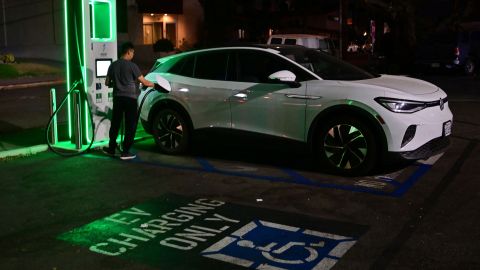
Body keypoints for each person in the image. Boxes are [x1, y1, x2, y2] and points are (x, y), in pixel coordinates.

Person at [102, 42, 154, 160]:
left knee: (115, 123)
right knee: (130, 125)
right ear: (129, 52)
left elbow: (106, 83)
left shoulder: (113, 65)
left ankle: (111, 148)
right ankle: (125, 152)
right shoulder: (132, 66)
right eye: (133, 52)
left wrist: (117, 83)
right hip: (130, 99)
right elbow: (144, 82)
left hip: (118, 98)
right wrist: (155, 85)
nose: (133, 55)